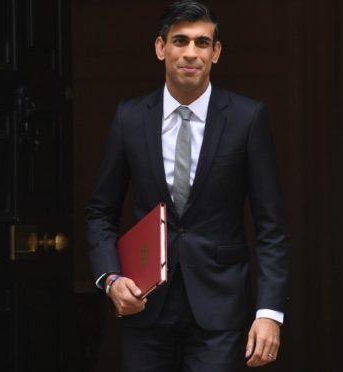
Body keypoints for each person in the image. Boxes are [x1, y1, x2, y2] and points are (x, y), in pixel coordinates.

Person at [85, 1, 290, 370]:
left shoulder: (247, 119)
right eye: (180, 41)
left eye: (202, 42)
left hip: (222, 309)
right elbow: (100, 211)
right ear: (161, 48)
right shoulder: (129, 118)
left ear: (216, 52)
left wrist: (269, 311)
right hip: (145, 304)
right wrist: (110, 278)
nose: (191, 53)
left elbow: (271, 226)